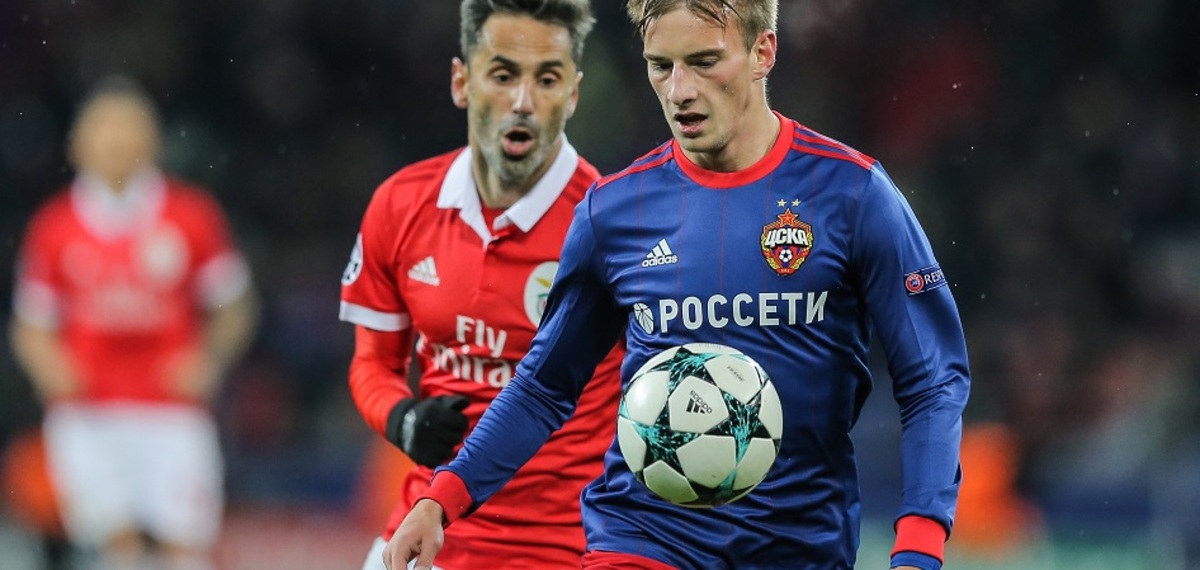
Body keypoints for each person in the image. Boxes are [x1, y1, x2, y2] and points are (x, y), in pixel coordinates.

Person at [386, 1, 972, 569]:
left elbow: (933, 380)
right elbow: (543, 385)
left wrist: (919, 545)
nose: (679, 90)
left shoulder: (853, 193)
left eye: (704, 61)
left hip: (798, 544)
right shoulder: (614, 211)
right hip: (644, 538)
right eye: (660, 65)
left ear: (763, 52)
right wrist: (443, 498)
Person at [337, 1, 624, 568]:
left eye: (547, 79)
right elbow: (373, 364)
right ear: (461, 81)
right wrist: (403, 419)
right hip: (425, 534)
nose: (523, 101)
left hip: (568, 551)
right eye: (503, 75)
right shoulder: (400, 205)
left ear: (573, 93)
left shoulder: (612, 224)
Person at [9, 76, 259, 569]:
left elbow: (234, 306)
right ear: (78, 143)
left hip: (172, 407)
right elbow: (31, 323)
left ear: (153, 139)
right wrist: (49, 367)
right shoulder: (55, 226)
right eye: (105, 128)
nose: (117, 140)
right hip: (88, 411)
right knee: (114, 546)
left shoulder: (191, 216)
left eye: (128, 127)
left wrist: (209, 360)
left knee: (184, 546)